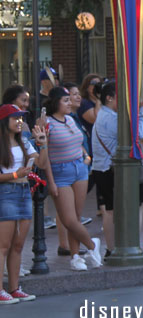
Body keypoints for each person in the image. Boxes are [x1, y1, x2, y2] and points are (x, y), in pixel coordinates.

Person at [90, 81, 143, 257]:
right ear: (110, 98)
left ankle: (113, 249)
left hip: (103, 169)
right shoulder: (110, 118)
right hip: (112, 170)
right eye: (123, 97)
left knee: (110, 211)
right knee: (133, 205)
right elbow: (138, 133)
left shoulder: (105, 115)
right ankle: (130, 246)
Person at [42, 86, 102, 271]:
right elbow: (45, 158)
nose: (70, 103)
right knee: (68, 220)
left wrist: (85, 157)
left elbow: (78, 140)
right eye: (65, 100)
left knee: (76, 217)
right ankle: (92, 245)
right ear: (55, 103)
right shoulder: (47, 123)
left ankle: (75, 257)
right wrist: (51, 182)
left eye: (70, 99)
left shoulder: (70, 119)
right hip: (59, 172)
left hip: (79, 169)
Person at [0, 103, 42, 303]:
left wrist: (43, 144)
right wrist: (16, 174)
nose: (20, 122)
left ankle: (15, 288)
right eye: (15, 118)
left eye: (21, 118)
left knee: (18, 244)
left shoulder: (24, 141)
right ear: (4, 121)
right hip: (6, 192)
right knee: (3, 245)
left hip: (24, 191)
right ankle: (1, 290)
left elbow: (40, 163)